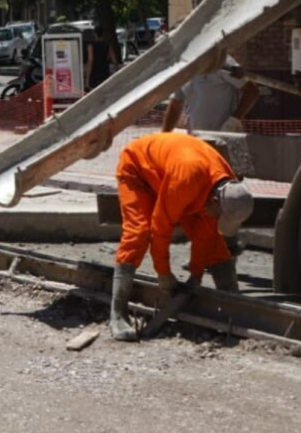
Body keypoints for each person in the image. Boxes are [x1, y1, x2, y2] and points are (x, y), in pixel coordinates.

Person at [109, 132, 254, 342]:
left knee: (212, 240)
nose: (217, 219)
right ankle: (117, 314)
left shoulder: (225, 185)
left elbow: (206, 235)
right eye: (219, 215)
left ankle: (234, 306)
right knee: (138, 232)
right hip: (138, 170)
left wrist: (196, 276)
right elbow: (161, 228)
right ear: (215, 201)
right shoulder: (186, 179)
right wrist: (164, 275)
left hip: (170, 173)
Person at [162, 56, 259, 133]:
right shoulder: (183, 70)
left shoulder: (220, 61)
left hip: (222, 135)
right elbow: (175, 106)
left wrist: (234, 121)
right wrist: (164, 136)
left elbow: (252, 91)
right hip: (196, 136)